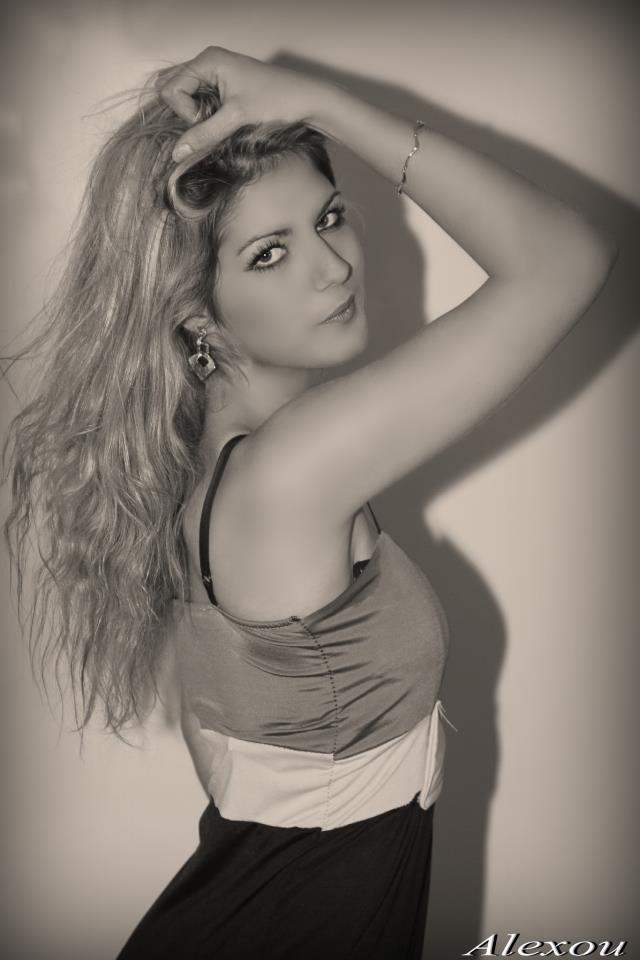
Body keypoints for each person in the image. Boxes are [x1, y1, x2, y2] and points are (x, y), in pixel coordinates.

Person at [2, 45, 616, 960]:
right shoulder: (289, 473)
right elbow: (563, 261)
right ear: (197, 316)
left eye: (328, 217)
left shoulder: (226, 468)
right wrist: (327, 100)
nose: (331, 266)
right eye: (270, 253)